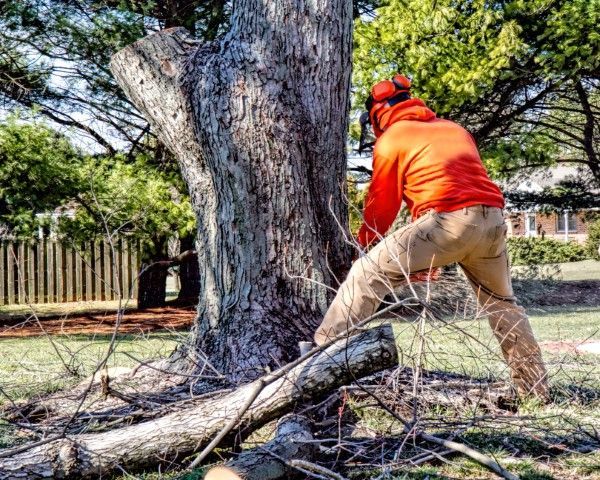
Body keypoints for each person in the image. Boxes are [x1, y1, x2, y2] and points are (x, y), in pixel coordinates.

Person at [314, 75, 548, 399]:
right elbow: (444, 187)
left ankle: (314, 368)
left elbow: (382, 206)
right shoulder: (454, 129)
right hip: (492, 221)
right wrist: (423, 257)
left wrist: (363, 246)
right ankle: (534, 389)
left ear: (377, 115)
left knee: (365, 276)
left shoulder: (393, 137)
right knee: (502, 305)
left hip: (447, 220)